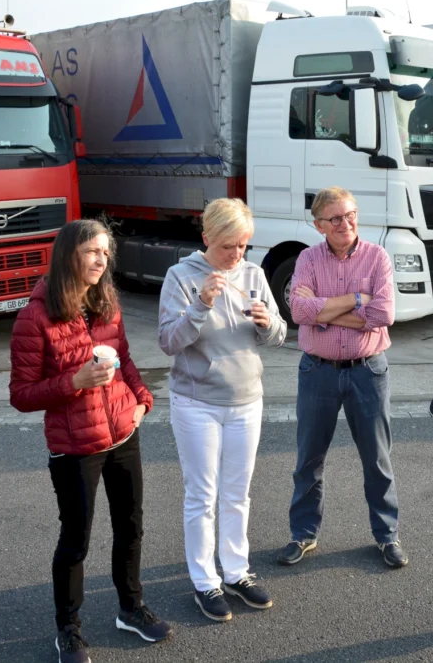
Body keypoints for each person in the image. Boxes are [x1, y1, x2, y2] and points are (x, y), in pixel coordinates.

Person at [9, 220, 172, 663]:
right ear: (68, 256)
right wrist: (73, 381)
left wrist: (142, 400)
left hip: (122, 431)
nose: (101, 260)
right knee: (75, 540)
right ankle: (68, 628)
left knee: (131, 525)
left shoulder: (106, 303)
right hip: (75, 447)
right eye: (91, 252)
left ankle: (130, 607)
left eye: (105, 252)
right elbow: (20, 395)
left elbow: (127, 362)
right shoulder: (35, 316)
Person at [158, 198, 287, 622]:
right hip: (197, 402)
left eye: (244, 245)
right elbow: (168, 343)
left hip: (247, 398)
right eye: (228, 246)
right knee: (202, 494)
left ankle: (236, 571)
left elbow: (280, 334)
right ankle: (204, 580)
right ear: (206, 238)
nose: (237, 255)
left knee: (237, 493)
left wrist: (268, 323)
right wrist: (200, 306)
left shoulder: (253, 273)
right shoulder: (181, 276)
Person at [279, 186, 408, 569]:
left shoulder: (377, 257)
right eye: (334, 218)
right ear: (318, 225)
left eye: (350, 214)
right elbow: (299, 311)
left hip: (368, 370)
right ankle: (303, 534)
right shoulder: (307, 258)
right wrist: (355, 300)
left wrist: (323, 311)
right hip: (317, 370)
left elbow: (384, 315)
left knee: (377, 458)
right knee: (308, 460)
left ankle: (387, 536)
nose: (345, 223)